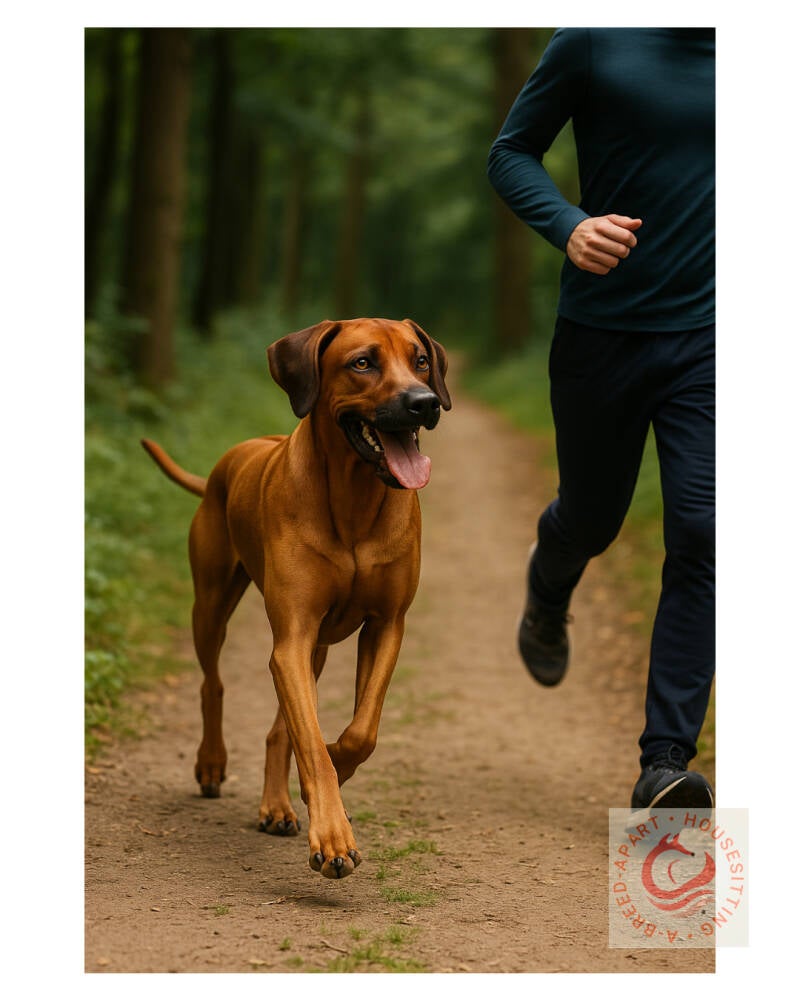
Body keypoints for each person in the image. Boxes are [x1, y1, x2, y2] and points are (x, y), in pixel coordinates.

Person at [487, 28, 715, 811]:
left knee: (704, 527)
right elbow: (510, 153)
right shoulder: (596, 39)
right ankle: (549, 587)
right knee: (592, 518)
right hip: (603, 334)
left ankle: (664, 763)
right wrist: (568, 223)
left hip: (717, 338)